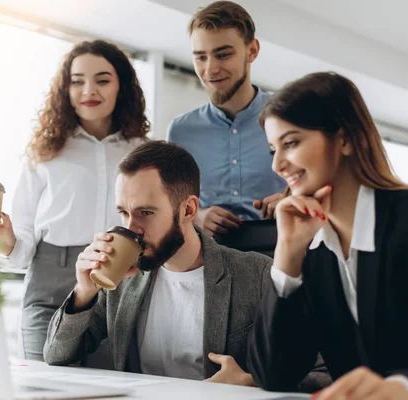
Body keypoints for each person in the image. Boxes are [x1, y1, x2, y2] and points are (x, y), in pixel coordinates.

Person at [247, 72, 408, 399]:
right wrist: (287, 256)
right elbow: (274, 376)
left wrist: (401, 390)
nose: (277, 164)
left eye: (290, 143)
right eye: (272, 150)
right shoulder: (313, 251)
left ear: (345, 139)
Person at [0, 40, 149, 361]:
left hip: (117, 282)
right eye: (77, 80)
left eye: (102, 79)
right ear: (65, 89)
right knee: (46, 385)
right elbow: (23, 245)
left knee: (104, 391)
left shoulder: (141, 151)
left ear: (122, 86)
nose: (88, 90)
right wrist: (7, 242)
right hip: (50, 280)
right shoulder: (46, 150)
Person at [43, 140, 274, 386]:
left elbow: (317, 374)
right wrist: (83, 292)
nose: (131, 229)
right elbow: (57, 355)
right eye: (123, 212)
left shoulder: (257, 274)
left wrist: (251, 383)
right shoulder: (120, 276)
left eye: (146, 213)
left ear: (188, 210)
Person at [167, 1, 285, 241]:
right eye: (200, 57)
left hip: (281, 252)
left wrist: (291, 199)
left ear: (252, 51)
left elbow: (325, 186)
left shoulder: (289, 116)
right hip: (207, 258)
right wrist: (197, 216)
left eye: (223, 55)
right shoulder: (180, 132)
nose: (210, 69)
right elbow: (169, 205)